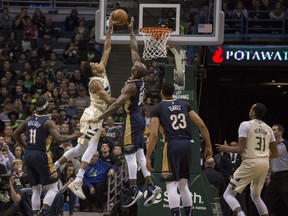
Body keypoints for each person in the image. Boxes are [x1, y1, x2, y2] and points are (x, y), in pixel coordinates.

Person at [88, 17, 161, 208]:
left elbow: (116, 106)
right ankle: (151, 186)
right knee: (138, 154)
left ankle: (133, 188)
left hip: (132, 118)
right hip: (138, 118)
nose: (134, 62)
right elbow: (134, 50)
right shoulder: (138, 75)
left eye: (136, 65)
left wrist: (101, 117)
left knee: (129, 156)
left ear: (136, 72)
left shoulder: (131, 86)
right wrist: (130, 31)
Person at [51, 14, 118, 201]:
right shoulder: (95, 83)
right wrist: (125, 99)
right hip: (93, 115)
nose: (98, 62)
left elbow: (107, 48)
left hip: (96, 114)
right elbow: (109, 100)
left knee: (80, 150)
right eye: (94, 64)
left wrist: (110, 28)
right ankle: (79, 179)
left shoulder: (101, 69)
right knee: (93, 147)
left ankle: (54, 166)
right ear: (93, 71)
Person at [146, 81, 213, 216]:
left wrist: (148, 157)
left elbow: (153, 135)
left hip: (171, 145)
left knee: (171, 185)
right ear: (173, 92)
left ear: (161, 92)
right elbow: (202, 125)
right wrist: (209, 145)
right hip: (187, 144)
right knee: (183, 184)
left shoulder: (157, 108)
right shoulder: (185, 104)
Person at [12, 97, 82, 216]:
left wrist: (25, 147)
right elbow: (60, 138)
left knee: (36, 189)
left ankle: (35, 214)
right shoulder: (47, 122)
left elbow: (15, 134)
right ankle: (44, 212)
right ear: (46, 107)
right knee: (53, 188)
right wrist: (75, 135)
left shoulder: (28, 119)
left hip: (28, 156)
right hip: (41, 155)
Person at [216, 103, 279, 216]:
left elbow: (240, 149)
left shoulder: (246, 124)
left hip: (250, 162)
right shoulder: (269, 128)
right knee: (256, 196)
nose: (249, 111)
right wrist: (262, 157)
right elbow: (275, 153)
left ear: (253, 112)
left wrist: (227, 148)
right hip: (264, 163)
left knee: (228, 194)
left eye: (251, 109)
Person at [263, 124, 288, 216]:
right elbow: (270, 162)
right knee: (265, 204)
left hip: (285, 176)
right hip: (274, 177)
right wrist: (269, 177)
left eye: (274, 130)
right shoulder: (270, 146)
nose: (271, 131)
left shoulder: (286, 144)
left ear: (280, 132)